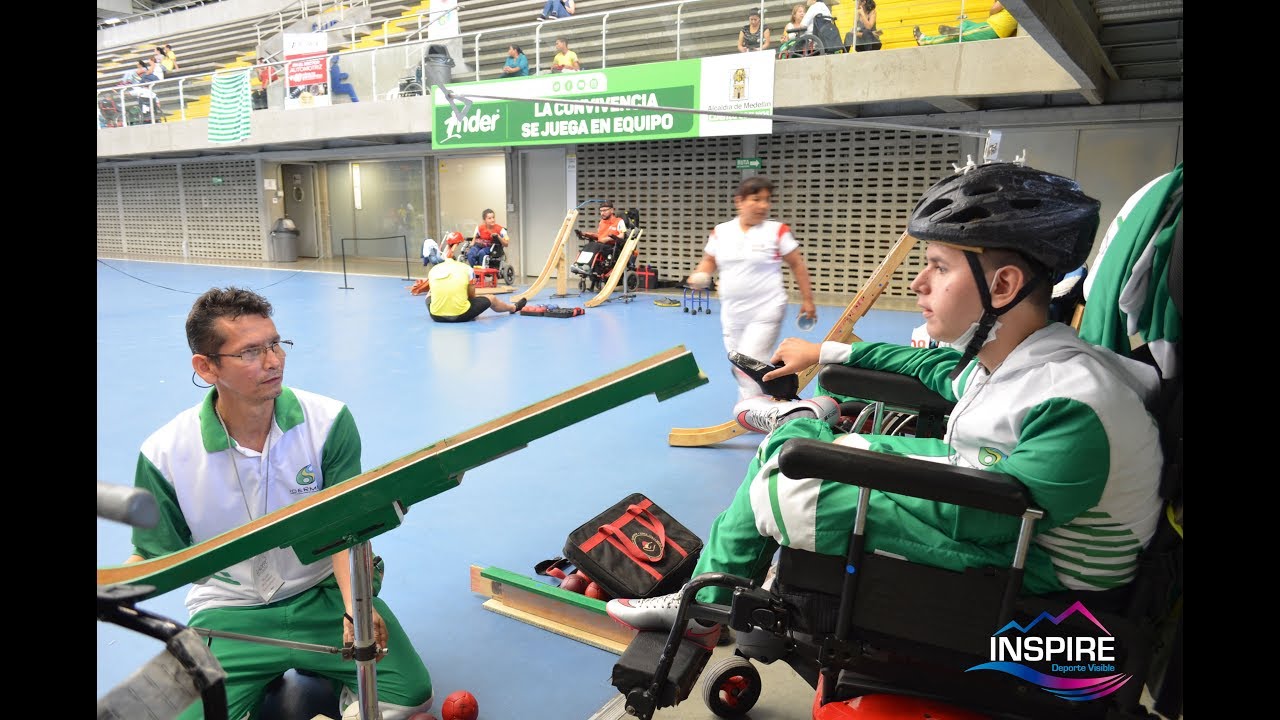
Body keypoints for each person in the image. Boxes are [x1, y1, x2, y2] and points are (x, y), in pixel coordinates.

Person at [605, 163, 1164, 650]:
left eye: (940, 267)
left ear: (1003, 286)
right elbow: (932, 368)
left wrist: (830, 465)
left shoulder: (1074, 402)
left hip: (1043, 581)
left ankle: (714, 595)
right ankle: (709, 602)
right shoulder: (1020, 361)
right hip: (996, 507)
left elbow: (989, 522)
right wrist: (825, 352)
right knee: (789, 447)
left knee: (785, 481)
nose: (919, 283)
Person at [124, 287, 437, 719]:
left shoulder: (328, 422)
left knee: (410, 695)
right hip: (229, 611)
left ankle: (335, 686)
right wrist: (119, 583)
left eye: (275, 344)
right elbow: (154, 552)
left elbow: (349, 529)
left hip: (321, 592)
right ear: (206, 366)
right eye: (251, 352)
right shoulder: (164, 453)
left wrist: (354, 611)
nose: (273, 362)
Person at [686, 176, 816, 402]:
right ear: (740, 201)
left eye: (767, 200)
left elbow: (797, 264)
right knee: (738, 360)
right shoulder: (721, 231)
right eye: (756, 199)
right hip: (732, 311)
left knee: (749, 360)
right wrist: (701, 274)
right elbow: (709, 260)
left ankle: (753, 408)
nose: (763, 205)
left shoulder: (777, 231)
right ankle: (766, 396)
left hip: (767, 309)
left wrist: (808, 300)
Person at [427, 257, 527, 322]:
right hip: (461, 315)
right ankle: (513, 308)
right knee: (491, 298)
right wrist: (474, 311)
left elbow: (433, 291)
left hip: (436, 316)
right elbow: (471, 295)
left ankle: (441, 309)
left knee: (429, 295)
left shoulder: (433, 271)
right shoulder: (466, 269)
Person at [915, 0, 1017, 45]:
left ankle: (924, 41)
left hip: (993, 28)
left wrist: (992, 13)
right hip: (989, 26)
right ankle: (958, 30)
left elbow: (994, 9)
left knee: (959, 37)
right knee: (967, 23)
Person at [570, 201, 628, 276]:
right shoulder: (602, 222)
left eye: (605, 210)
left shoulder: (619, 221)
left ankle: (587, 266)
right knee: (589, 245)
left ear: (612, 210)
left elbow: (622, 236)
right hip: (601, 245)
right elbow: (599, 236)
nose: (602, 213)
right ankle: (579, 265)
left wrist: (607, 239)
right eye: (601, 211)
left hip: (612, 247)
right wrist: (587, 234)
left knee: (595, 245)